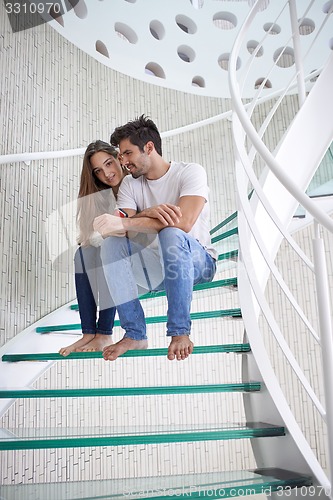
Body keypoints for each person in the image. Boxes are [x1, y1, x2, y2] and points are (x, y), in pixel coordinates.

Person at [93, 115, 217, 362]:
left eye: (127, 153)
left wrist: (129, 221)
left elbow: (184, 222)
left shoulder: (190, 172)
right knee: (111, 245)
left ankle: (180, 331)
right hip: (157, 269)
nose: (123, 161)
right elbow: (121, 230)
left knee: (171, 233)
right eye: (121, 155)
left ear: (149, 147)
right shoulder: (130, 185)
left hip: (197, 265)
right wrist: (146, 213)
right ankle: (135, 333)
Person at [59, 140, 128, 356]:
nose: (106, 173)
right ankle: (89, 332)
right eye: (98, 171)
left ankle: (105, 332)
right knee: (83, 254)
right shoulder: (102, 196)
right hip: (115, 246)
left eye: (108, 163)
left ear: (118, 157)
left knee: (109, 251)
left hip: (138, 250)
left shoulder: (135, 183)